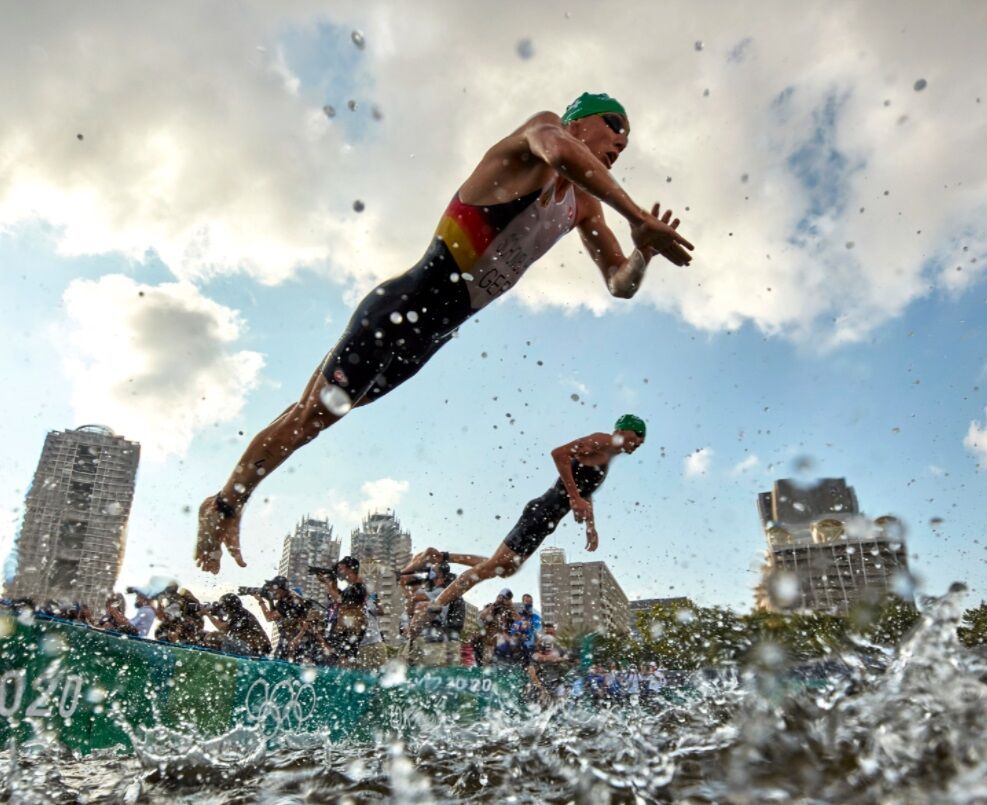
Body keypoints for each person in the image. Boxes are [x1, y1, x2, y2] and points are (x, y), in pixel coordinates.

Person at [194, 92, 694, 574]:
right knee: (310, 417)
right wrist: (639, 217)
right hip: (402, 308)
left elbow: (618, 283)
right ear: (579, 119)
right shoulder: (542, 136)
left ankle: (225, 501)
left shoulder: (585, 205)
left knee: (308, 420)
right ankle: (222, 506)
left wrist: (643, 251)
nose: (619, 145)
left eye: (625, 144)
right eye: (614, 128)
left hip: (428, 340)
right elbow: (561, 150)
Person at [405, 415, 646, 631]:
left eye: (642, 441)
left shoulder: (605, 458)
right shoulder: (601, 441)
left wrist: (590, 525)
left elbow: (586, 491)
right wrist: (573, 497)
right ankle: (432, 608)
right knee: (489, 570)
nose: (638, 443)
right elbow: (559, 454)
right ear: (624, 430)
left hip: (545, 519)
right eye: (638, 436)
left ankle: (439, 556)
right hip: (540, 513)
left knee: (504, 569)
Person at [316, 556, 369, 667]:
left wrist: (327, 583)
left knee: (345, 662)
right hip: (345, 631)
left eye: (341, 568)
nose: (338, 572)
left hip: (351, 631)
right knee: (340, 660)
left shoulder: (358, 587)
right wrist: (329, 582)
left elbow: (340, 599)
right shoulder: (350, 588)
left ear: (350, 569)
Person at [205, 593, 272, 657]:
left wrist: (207, 613)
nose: (222, 609)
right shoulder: (239, 613)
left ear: (227, 606)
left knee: (213, 636)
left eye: (222, 606)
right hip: (256, 650)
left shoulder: (239, 612)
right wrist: (219, 616)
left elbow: (221, 628)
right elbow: (225, 631)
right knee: (217, 639)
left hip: (255, 651)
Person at [357, 592, 387, 669]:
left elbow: (381, 612)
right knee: (365, 672)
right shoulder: (354, 607)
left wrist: (377, 602)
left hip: (377, 642)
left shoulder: (369, 604)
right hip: (363, 645)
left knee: (382, 669)